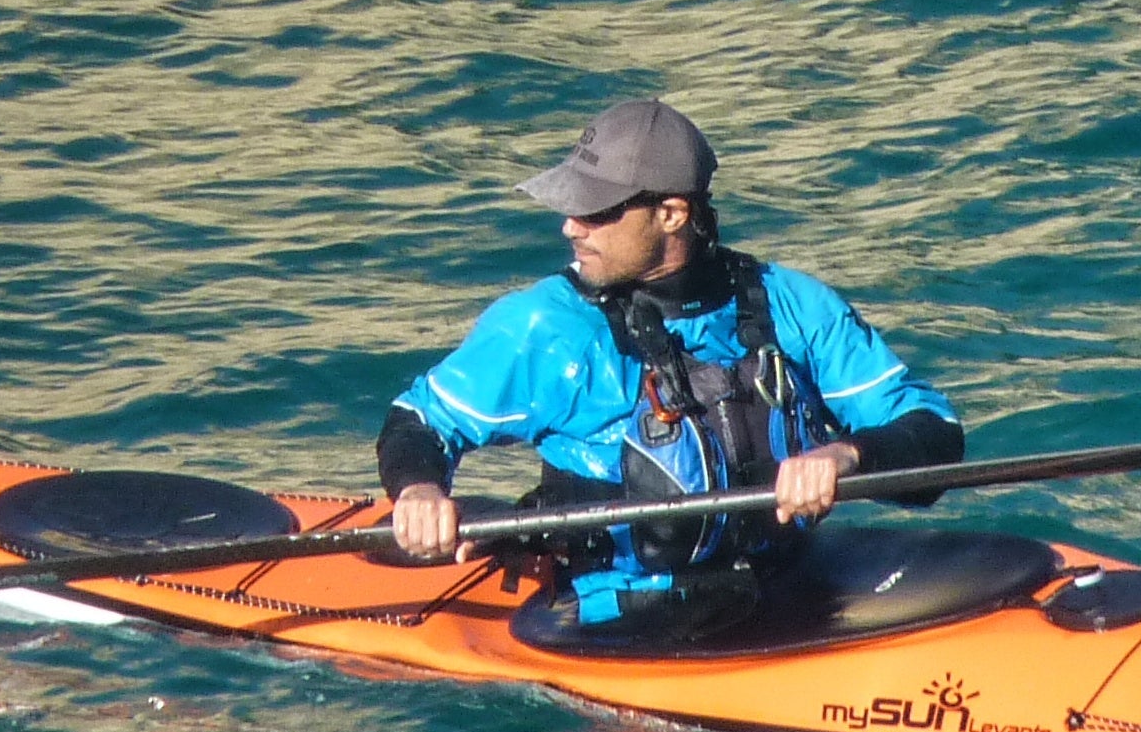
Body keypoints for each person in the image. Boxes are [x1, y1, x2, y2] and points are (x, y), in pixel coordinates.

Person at [378, 99, 962, 617]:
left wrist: (845, 455)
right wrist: (419, 493)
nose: (570, 227)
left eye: (597, 210)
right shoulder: (546, 327)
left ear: (673, 215)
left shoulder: (793, 304)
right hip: (620, 610)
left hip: (789, 584)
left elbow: (933, 432)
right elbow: (420, 421)